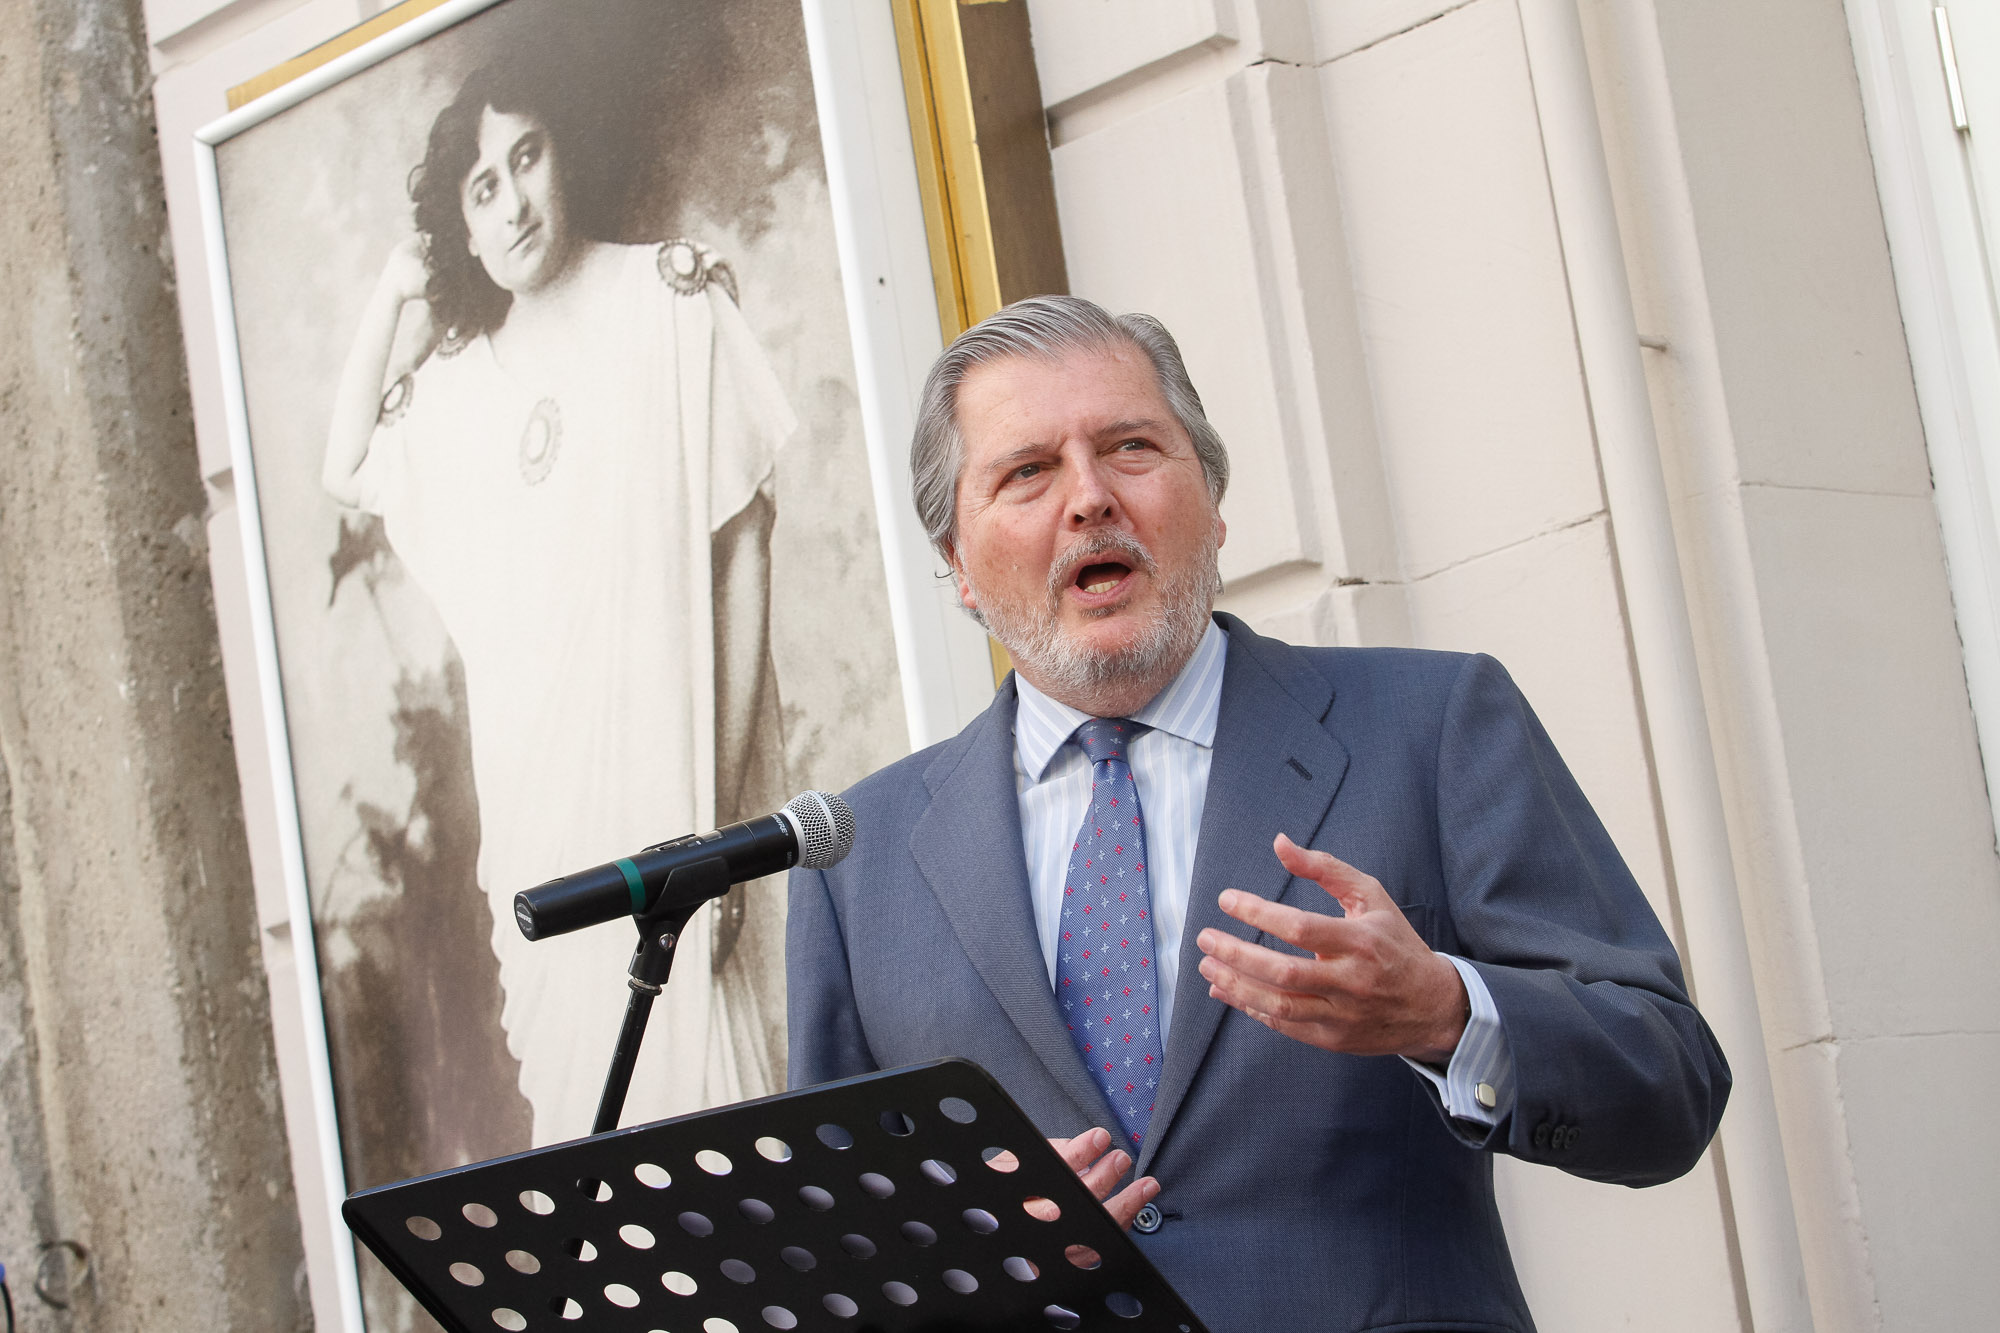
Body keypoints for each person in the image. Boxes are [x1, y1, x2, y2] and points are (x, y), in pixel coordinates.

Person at [787, 295, 1730, 1331]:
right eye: (1028, 472)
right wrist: (971, 1248)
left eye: (1130, 447)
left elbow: (1670, 1083)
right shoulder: (856, 860)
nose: (1090, 498)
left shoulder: (1432, 725)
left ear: (1214, 502)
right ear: (959, 565)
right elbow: (822, 1249)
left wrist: (1445, 1013)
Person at [323, 62, 795, 1146]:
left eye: (526, 158)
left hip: (664, 804)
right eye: (482, 187)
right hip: (542, 824)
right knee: (598, 1158)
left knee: (714, 1130)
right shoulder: (454, 392)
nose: (514, 202)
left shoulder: (665, 303)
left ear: (562, 155)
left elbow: (744, 549)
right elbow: (343, 466)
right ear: (463, 227)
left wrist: (718, 837)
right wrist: (392, 295)